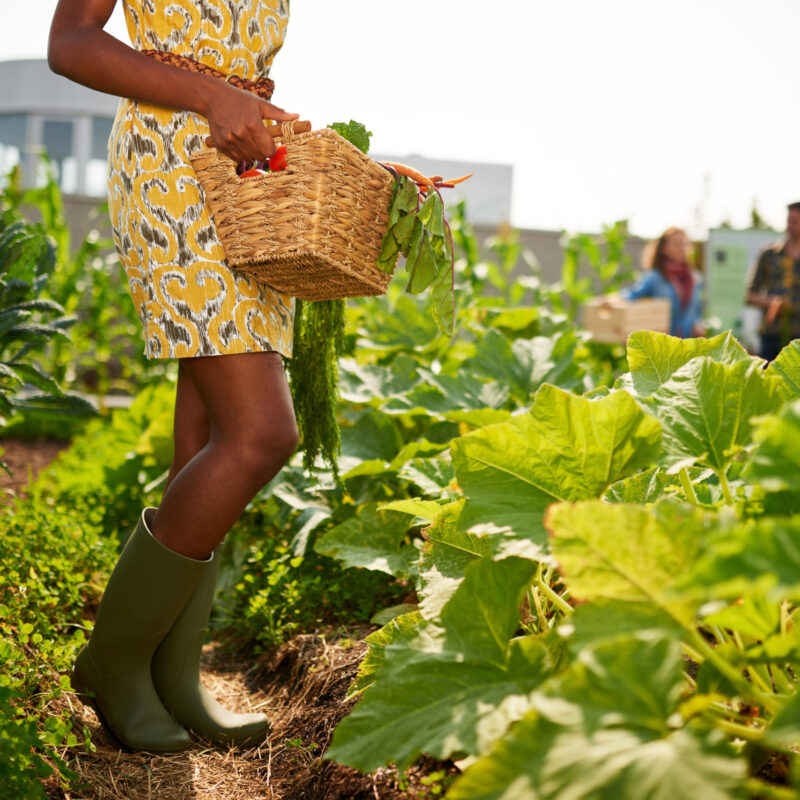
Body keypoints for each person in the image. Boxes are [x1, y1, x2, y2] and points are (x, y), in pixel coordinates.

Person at [48, 0, 301, 752]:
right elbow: (70, 43)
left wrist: (256, 108)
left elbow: (231, 57)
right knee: (260, 435)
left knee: (206, 437)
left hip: (245, 179)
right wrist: (214, 95)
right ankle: (113, 660)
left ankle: (172, 673)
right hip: (175, 172)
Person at [617, 226, 704, 338]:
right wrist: (612, 300)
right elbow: (633, 294)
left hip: (687, 345)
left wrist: (698, 324)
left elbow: (696, 311)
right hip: (662, 344)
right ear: (663, 248)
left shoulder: (695, 278)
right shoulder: (655, 277)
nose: (681, 248)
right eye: (676, 244)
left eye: (684, 244)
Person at [745, 202, 800, 361]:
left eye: (796, 221)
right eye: (789, 220)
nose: (790, 225)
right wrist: (770, 303)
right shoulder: (768, 254)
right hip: (771, 335)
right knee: (769, 381)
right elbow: (749, 295)